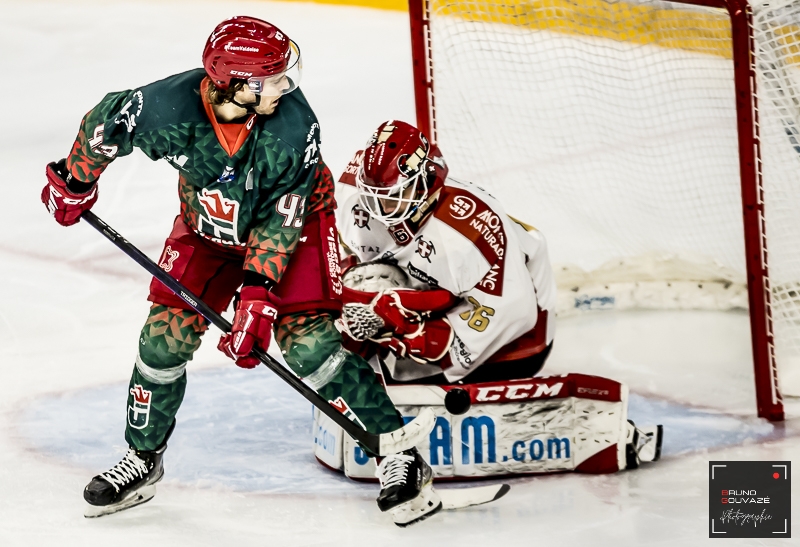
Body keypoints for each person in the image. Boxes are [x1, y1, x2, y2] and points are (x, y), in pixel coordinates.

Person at [41, 17, 440, 526]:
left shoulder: (294, 128)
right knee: (161, 342)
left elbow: (281, 218)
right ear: (235, 82)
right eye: (271, 78)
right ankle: (142, 458)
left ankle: (397, 454)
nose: (285, 86)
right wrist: (74, 179)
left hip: (295, 230)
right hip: (204, 232)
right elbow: (108, 120)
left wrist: (257, 297)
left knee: (311, 346)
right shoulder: (168, 108)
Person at [336, 120, 557, 386]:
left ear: (421, 183)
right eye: (372, 196)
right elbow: (345, 257)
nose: (380, 209)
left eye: (392, 196)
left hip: (516, 329)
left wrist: (411, 336)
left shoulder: (467, 235)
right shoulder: (352, 196)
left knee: (403, 369)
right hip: (440, 291)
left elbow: (515, 314)